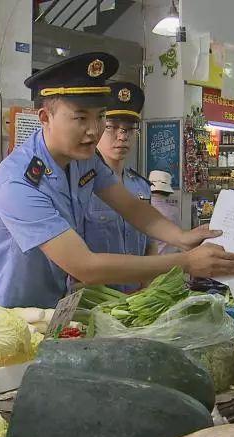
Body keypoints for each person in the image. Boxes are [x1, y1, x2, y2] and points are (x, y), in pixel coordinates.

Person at [0, 52, 234, 308]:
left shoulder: (84, 159)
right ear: (45, 118)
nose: (93, 131)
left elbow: (130, 207)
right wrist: (185, 262)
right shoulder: (19, 185)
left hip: (55, 307)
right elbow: (85, 265)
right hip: (9, 314)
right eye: (81, 118)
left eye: (100, 117)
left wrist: (181, 237)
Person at [83, 81, 151, 293]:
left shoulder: (141, 187)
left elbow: (150, 245)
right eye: (112, 127)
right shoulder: (84, 185)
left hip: (137, 301)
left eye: (129, 129)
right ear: (99, 127)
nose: (122, 136)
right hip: (96, 300)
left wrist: (147, 288)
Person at [148, 170, 181, 255]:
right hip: (168, 259)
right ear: (167, 192)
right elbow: (177, 237)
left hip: (145, 260)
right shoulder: (173, 211)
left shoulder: (140, 208)